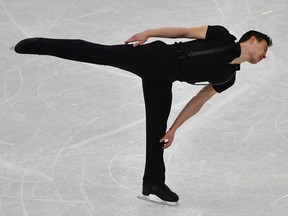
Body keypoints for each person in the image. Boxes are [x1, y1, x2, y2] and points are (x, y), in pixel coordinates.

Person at [14, 25, 272, 203]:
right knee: (100, 52)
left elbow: (199, 100)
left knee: (158, 134)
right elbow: (183, 31)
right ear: (252, 39)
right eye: (264, 47)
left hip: (163, 81)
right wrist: (150, 32)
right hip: (154, 56)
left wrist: (174, 129)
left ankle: (154, 183)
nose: (264, 54)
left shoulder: (228, 78)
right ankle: (40, 45)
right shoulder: (222, 35)